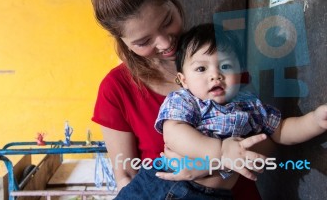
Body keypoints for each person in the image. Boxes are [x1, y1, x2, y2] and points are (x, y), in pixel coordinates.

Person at [91, 0, 272, 199]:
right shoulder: (115, 89)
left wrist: (207, 164)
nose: (164, 42)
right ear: (124, 42)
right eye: (143, 41)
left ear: (172, 1)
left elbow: (265, 139)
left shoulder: (220, 61)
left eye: (167, 21)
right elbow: (126, 177)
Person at [115, 23, 327, 199]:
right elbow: (174, 133)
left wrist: (315, 121)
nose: (215, 75)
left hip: (214, 195)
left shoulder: (248, 105)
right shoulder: (185, 100)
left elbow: (281, 131)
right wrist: (221, 152)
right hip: (162, 184)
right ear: (183, 80)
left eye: (225, 66)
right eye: (201, 69)